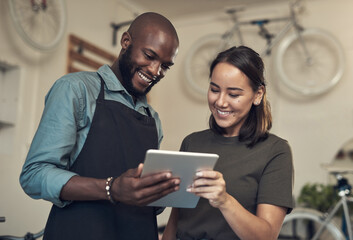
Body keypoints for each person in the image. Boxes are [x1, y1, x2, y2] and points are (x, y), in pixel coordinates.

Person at [20, 12, 180, 240]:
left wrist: (161, 193)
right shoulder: (76, 90)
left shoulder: (152, 118)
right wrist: (111, 188)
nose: (156, 71)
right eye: (149, 56)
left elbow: (148, 200)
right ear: (126, 42)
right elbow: (34, 175)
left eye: (165, 66)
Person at [162, 46, 294, 240]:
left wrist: (224, 200)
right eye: (214, 90)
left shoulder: (275, 151)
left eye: (233, 94)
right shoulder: (192, 142)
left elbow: (266, 236)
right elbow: (176, 218)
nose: (221, 102)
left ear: (257, 95)